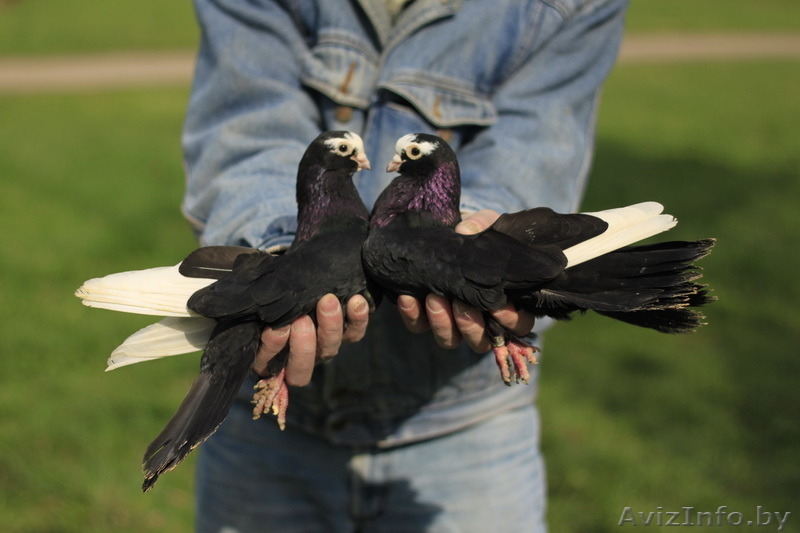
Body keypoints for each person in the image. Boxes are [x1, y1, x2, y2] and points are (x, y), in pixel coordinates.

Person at [181, 0, 628, 531]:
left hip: (464, 429)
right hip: (268, 426)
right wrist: (290, 267)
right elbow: (247, 126)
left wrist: (455, 253)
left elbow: (536, 151)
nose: (380, 166)